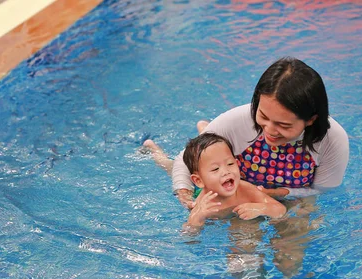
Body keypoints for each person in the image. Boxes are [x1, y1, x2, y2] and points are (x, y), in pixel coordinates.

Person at [159, 56, 349, 209]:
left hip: (286, 198)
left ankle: (207, 129)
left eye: (283, 125)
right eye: (263, 116)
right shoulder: (237, 121)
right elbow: (185, 160)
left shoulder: (332, 140)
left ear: (310, 119)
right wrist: (184, 195)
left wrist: (280, 194)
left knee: (293, 237)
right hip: (236, 192)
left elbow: (323, 191)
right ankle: (204, 132)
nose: (270, 130)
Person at [144, 133, 286, 229]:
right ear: (199, 180)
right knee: (170, 167)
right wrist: (198, 218)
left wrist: (261, 208)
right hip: (198, 189)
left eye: (230, 164)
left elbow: (280, 209)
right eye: (215, 169)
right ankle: (153, 150)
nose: (226, 171)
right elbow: (189, 234)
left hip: (207, 178)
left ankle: (204, 129)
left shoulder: (245, 189)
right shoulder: (203, 202)